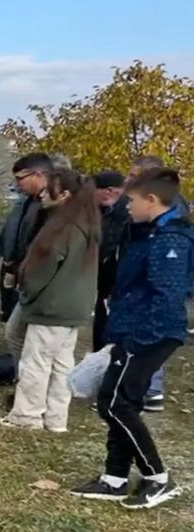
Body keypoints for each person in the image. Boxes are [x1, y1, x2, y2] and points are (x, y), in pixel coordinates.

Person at [70, 168, 192, 508]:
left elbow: (166, 295)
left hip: (149, 334)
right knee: (123, 402)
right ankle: (114, 478)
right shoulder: (146, 232)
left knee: (114, 402)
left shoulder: (171, 239)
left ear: (152, 200)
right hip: (128, 327)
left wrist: (138, 339)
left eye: (133, 200)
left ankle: (158, 477)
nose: (127, 206)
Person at [1, 170, 99, 432]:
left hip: (52, 304)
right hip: (74, 305)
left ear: (64, 195)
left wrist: (27, 290)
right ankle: (56, 419)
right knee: (61, 363)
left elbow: (41, 268)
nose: (42, 194)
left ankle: (27, 416)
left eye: (48, 190)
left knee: (37, 361)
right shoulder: (87, 221)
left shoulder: (61, 227)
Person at [124, 155, 190, 412]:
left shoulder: (169, 216)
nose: (128, 179)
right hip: (147, 283)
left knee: (153, 327)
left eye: (133, 175)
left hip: (157, 285)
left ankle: (150, 389)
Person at [0, 153, 55, 365]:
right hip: (26, 279)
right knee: (15, 334)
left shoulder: (53, 205)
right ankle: (25, 379)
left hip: (44, 286)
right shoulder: (28, 202)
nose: (17, 184)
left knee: (26, 340)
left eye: (21, 178)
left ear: (39, 174)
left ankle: (31, 385)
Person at [93, 170, 129, 353]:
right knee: (101, 319)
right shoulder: (104, 210)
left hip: (117, 277)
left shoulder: (125, 213)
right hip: (103, 276)